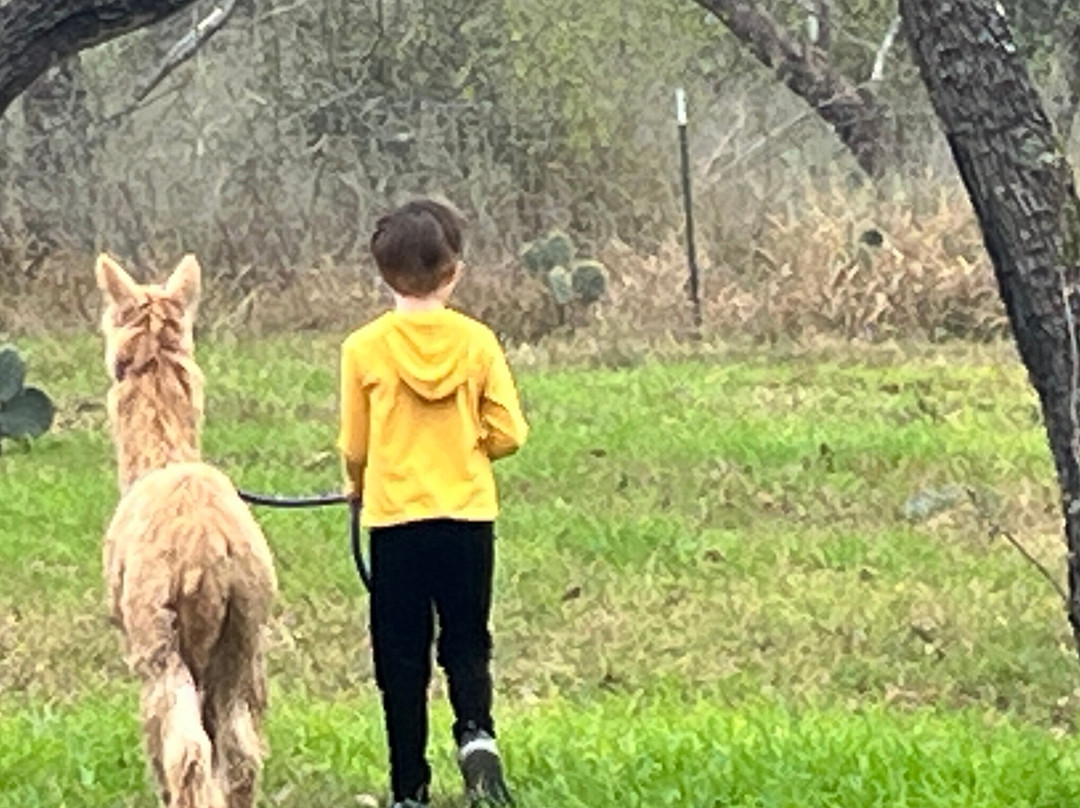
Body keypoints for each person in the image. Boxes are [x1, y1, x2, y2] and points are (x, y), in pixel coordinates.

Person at [337, 198, 529, 808]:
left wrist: (357, 483)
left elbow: (354, 443)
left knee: (401, 655)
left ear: (383, 273)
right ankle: (476, 732)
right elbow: (510, 432)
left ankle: (408, 787)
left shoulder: (363, 349)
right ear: (455, 271)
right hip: (468, 518)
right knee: (468, 638)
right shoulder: (477, 343)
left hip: (395, 521)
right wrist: (473, 448)